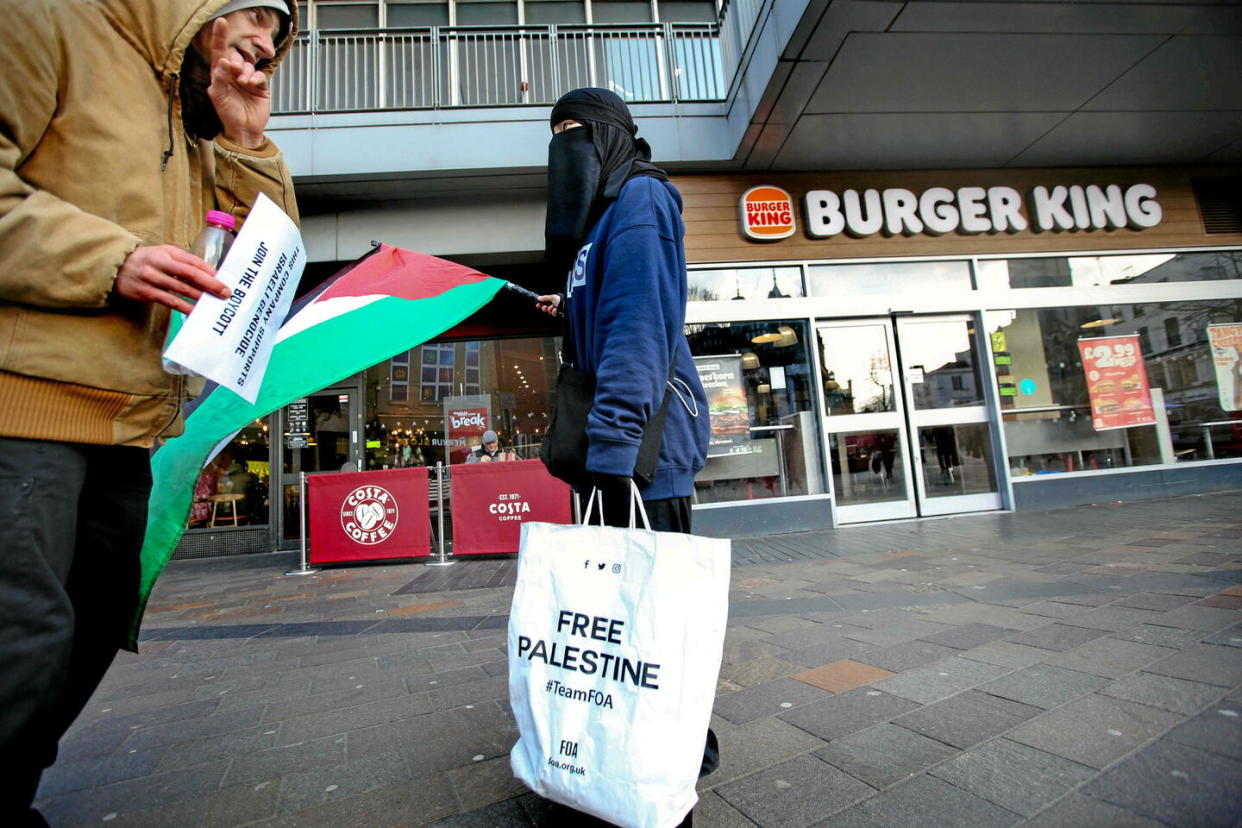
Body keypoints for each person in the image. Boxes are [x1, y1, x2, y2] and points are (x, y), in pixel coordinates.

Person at [0, 1, 299, 822]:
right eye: (256, 13)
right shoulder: (42, 21)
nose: (269, 41)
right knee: (18, 646)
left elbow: (262, 265)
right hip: (24, 409)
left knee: (87, 635)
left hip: (130, 424)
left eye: (280, 30)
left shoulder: (193, 112)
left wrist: (244, 140)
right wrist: (112, 260)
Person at [535, 87, 714, 827]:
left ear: (608, 136)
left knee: (650, 620)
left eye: (571, 132)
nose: (561, 147)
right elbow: (609, 311)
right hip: (610, 452)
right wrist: (569, 305)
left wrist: (611, 453)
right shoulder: (599, 222)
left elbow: (639, 328)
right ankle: (647, 746)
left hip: (639, 454)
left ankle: (667, 765)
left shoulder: (640, 200)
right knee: (623, 623)